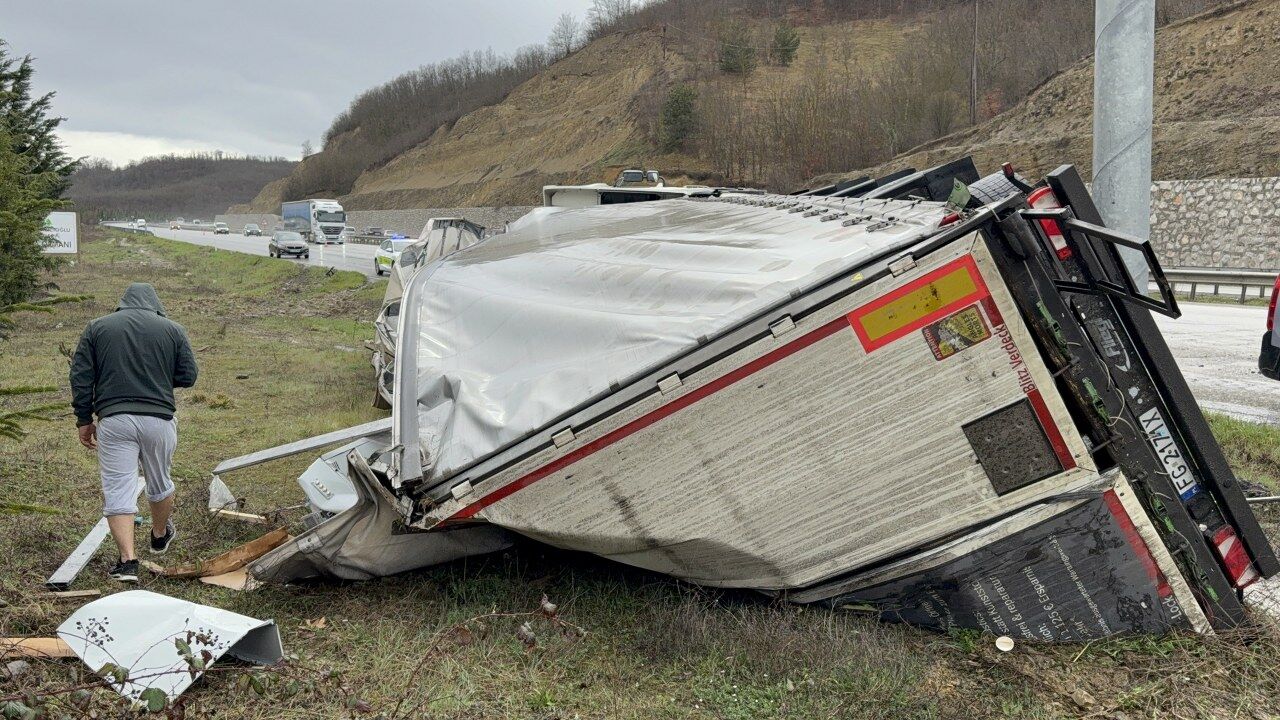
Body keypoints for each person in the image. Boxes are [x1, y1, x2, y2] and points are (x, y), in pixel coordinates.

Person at [70, 283, 198, 582]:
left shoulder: (97, 328)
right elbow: (188, 376)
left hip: (114, 420)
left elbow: (81, 375)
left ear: (122, 302)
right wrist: (159, 378)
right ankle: (158, 533)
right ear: (155, 304)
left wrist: (83, 418)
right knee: (160, 479)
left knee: (118, 487)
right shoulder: (173, 329)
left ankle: (127, 561)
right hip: (159, 420)